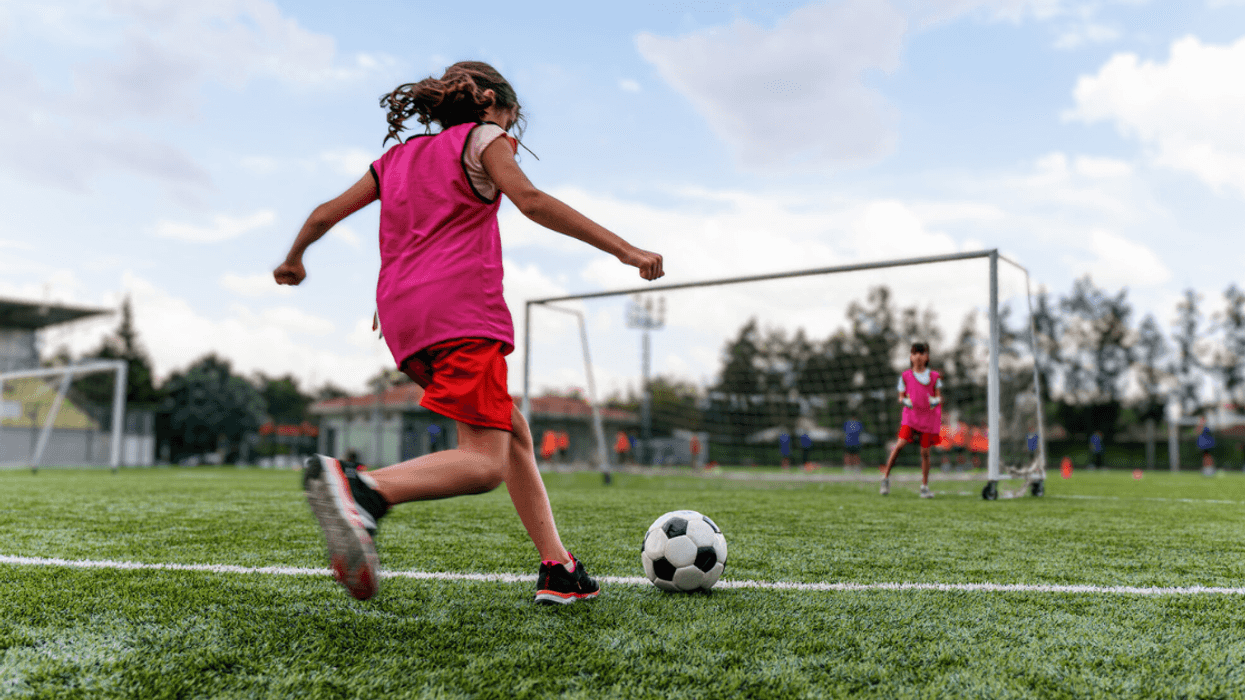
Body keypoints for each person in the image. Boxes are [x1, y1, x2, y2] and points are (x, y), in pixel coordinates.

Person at [274, 61, 663, 605]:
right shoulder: (484, 139)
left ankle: (559, 568)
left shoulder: (395, 159)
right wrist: (626, 250)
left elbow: (322, 215)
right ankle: (365, 490)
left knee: (512, 431)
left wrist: (294, 259)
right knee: (483, 463)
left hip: (403, 321)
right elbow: (532, 201)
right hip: (459, 313)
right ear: (491, 103)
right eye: (511, 118)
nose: (511, 130)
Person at [880, 343, 943, 498]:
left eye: (922, 353)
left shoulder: (934, 377)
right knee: (899, 446)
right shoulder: (905, 376)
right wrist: (905, 401)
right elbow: (901, 397)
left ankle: (924, 486)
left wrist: (935, 401)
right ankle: (885, 478)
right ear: (911, 357)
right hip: (911, 418)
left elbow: (938, 396)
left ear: (927, 357)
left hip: (928, 419)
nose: (918, 356)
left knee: (925, 453)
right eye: (915, 353)